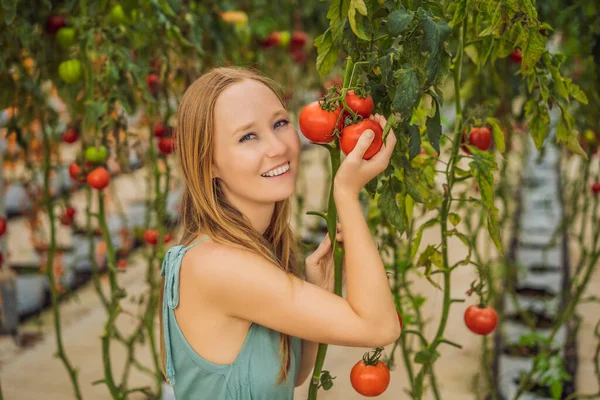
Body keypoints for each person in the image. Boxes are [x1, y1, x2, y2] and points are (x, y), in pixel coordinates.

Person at [159, 66, 401, 399]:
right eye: (247, 136)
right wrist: (345, 192)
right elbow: (380, 327)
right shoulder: (219, 266)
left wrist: (319, 289)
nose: (277, 146)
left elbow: (293, 376)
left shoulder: (252, 249)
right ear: (208, 163)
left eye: (280, 123)